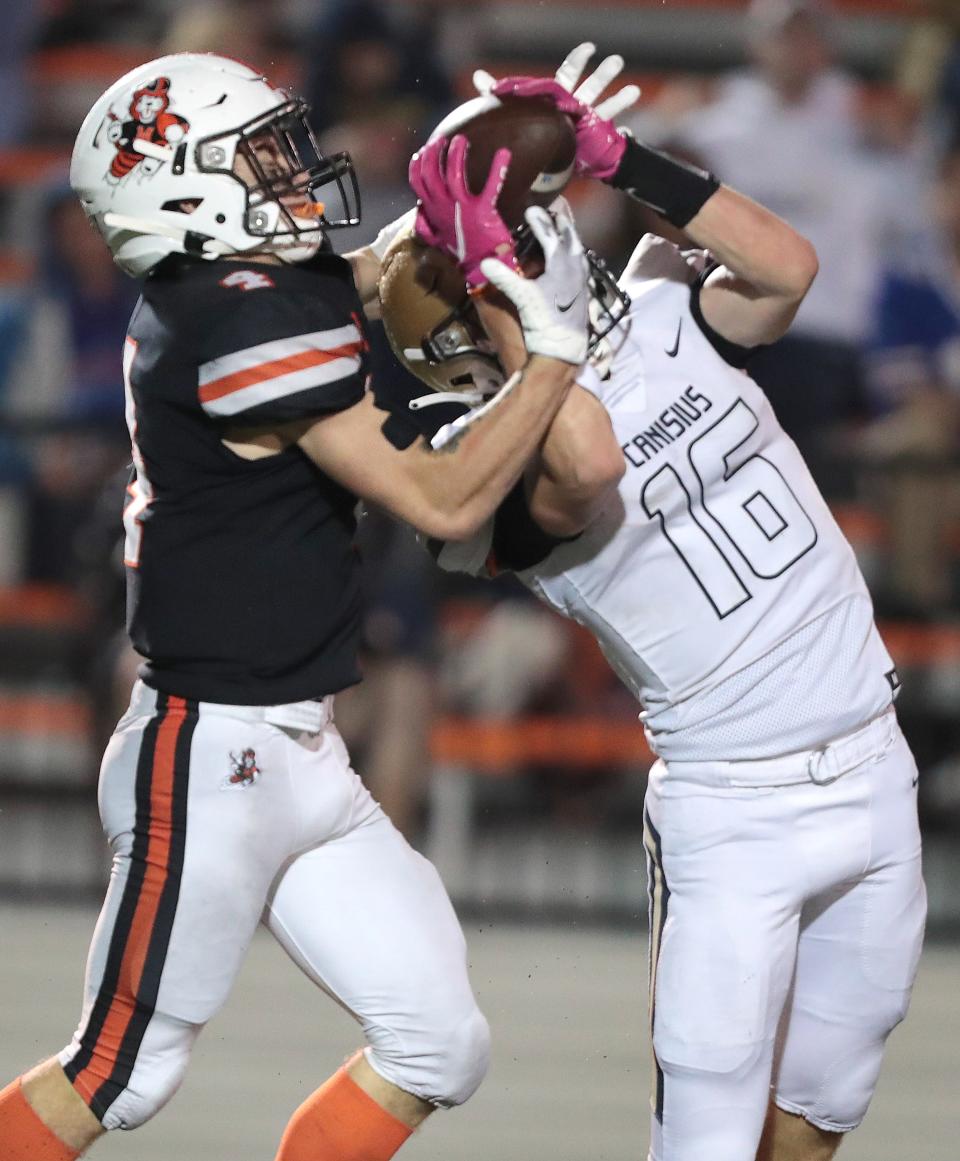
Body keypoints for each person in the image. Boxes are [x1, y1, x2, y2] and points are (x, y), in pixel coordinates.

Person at [0, 52, 608, 1161]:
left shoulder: (243, 290)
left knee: (437, 1044)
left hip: (301, 751)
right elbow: (442, 493)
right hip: (209, 754)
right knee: (118, 1076)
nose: (295, 170)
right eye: (261, 155)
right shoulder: (232, 325)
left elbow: (376, 269)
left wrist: (481, 170)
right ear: (184, 189)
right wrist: (554, 354)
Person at [380, 43, 927, 1161]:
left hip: (874, 763)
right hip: (735, 814)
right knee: (710, 1142)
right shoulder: (478, 461)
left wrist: (621, 159)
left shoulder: (667, 311)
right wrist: (507, 293)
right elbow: (586, 464)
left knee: (820, 1116)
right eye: (497, 266)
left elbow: (788, 267)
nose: (537, 251)